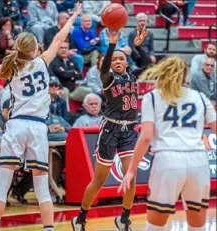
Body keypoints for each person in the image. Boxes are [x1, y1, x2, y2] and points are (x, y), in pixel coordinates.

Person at [0, 3, 81, 231]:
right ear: (34, 50)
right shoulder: (42, 62)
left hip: (16, 125)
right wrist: (73, 18)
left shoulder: (9, 67)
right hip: (38, 127)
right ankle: (49, 228)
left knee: (3, 181)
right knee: (41, 183)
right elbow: (59, 38)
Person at [119, 56, 217, 231]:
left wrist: (132, 170)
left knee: (156, 224)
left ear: (162, 72)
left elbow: (146, 137)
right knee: (197, 224)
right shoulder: (200, 97)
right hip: (198, 161)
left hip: (168, 159)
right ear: (185, 76)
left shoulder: (153, 97)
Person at [71, 29, 147, 231]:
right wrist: (112, 45)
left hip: (130, 130)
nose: (117, 62)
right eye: (114, 60)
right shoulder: (109, 79)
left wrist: (137, 46)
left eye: (121, 59)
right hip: (110, 130)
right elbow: (104, 68)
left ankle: (124, 219)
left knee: (130, 176)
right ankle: (81, 217)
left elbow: (148, 64)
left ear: (127, 62)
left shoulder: (132, 77)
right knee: (99, 180)